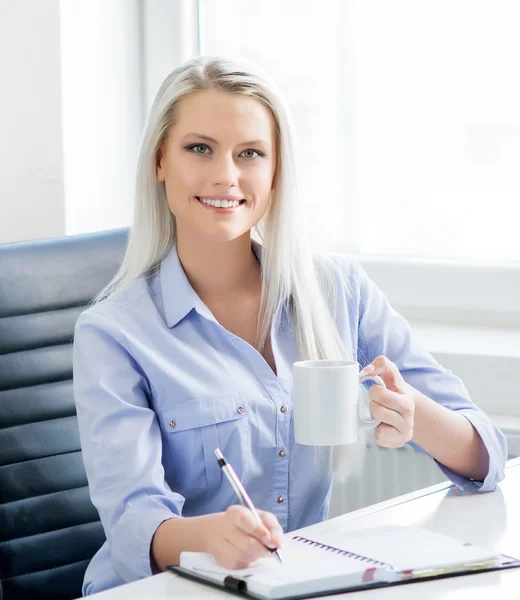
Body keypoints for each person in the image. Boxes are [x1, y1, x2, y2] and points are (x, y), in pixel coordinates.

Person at [73, 56, 507, 596]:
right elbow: (134, 523)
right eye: (199, 148)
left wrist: (417, 417)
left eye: (250, 153)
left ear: (275, 173)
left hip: (292, 583)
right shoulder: (114, 333)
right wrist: (210, 537)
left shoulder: (335, 289)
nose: (225, 175)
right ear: (161, 160)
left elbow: (486, 457)